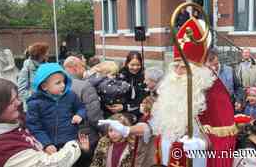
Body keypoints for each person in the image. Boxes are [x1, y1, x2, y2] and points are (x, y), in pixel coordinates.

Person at [100, 15, 237, 167]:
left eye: (184, 67)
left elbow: (225, 139)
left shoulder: (213, 91)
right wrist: (127, 130)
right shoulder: (170, 89)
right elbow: (153, 126)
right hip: (165, 158)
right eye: (175, 66)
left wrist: (202, 144)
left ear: (198, 69)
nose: (178, 71)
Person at [0, 77, 82, 167]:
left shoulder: (6, 120)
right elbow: (50, 164)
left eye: (17, 98)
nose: (18, 103)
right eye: (11, 102)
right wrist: (74, 145)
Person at [26, 63, 86, 155]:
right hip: (49, 146)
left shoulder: (70, 96)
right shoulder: (35, 103)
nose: (63, 85)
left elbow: (81, 108)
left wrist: (80, 115)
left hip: (70, 141)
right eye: (58, 83)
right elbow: (34, 127)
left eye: (64, 81)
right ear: (44, 86)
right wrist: (46, 144)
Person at [64, 56, 104, 167]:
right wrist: (105, 131)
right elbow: (94, 115)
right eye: (83, 67)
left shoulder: (56, 86)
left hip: (65, 140)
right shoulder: (85, 86)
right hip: (86, 137)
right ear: (76, 68)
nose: (84, 70)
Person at [17, 42, 49, 111]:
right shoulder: (26, 69)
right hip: (34, 109)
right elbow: (21, 92)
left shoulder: (48, 66)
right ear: (40, 54)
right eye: (46, 52)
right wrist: (38, 95)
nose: (48, 54)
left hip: (48, 106)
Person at [118, 51, 147, 120]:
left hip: (138, 113)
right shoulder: (121, 76)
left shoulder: (144, 77)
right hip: (122, 114)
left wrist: (125, 107)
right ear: (127, 64)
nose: (135, 68)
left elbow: (143, 99)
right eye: (132, 65)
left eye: (138, 65)